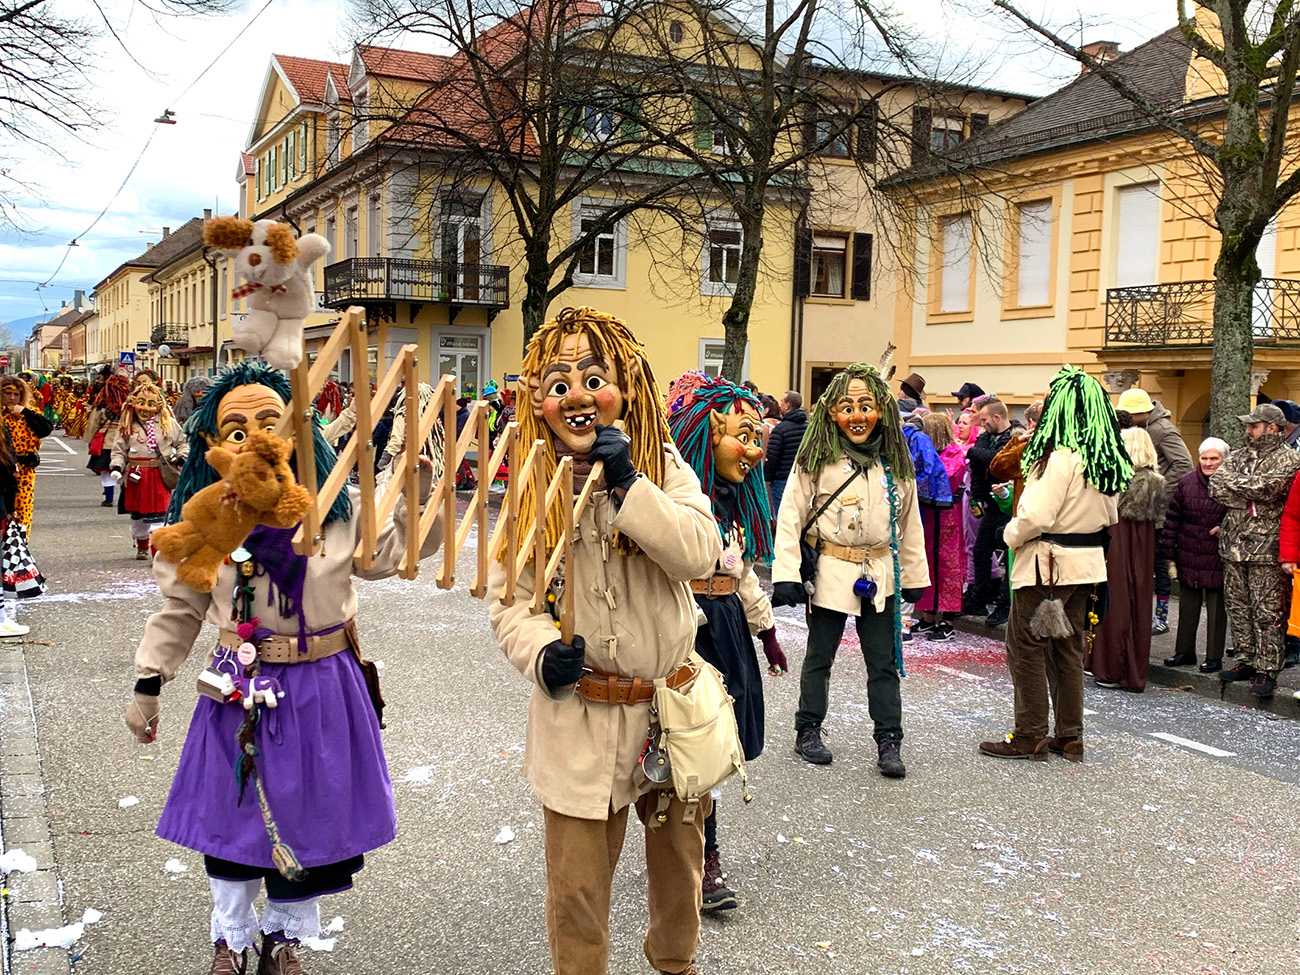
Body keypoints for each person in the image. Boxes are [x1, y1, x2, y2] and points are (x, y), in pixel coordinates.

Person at [124, 362, 443, 975]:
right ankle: (230, 940)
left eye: (271, 423)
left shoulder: (338, 508)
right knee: (232, 818)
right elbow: (181, 609)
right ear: (214, 443)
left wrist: (416, 498)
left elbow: (393, 556)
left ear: (299, 432)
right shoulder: (208, 522)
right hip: (238, 685)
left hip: (324, 685)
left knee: (310, 820)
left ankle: (283, 939)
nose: (255, 439)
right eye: (236, 429)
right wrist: (148, 681)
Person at [487, 307, 721, 975]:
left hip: (669, 707)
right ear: (538, 399)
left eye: (595, 379)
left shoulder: (660, 465)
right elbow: (510, 600)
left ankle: (675, 966)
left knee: (680, 873)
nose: (578, 397)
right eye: (559, 385)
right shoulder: (531, 485)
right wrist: (539, 651)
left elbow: (700, 552)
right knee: (577, 890)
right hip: (581, 713)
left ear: (626, 386)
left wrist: (631, 485)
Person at [665, 372, 785, 914]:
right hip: (685, 629)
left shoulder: (735, 502)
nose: (756, 451)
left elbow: (744, 573)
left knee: (715, 746)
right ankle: (692, 853)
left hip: (728, 625)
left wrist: (767, 631)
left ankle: (702, 851)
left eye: (758, 438)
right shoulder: (678, 501)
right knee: (684, 741)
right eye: (744, 437)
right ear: (707, 435)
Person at [770, 363, 927, 776]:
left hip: (879, 574)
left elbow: (909, 522)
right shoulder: (817, 457)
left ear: (881, 411)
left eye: (866, 406)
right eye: (847, 407)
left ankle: (889, 739)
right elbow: (790, 514)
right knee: (819, 657)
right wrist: (786, 572)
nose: (857, 416)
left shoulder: (894, 461)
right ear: (832, 412)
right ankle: (808, 730)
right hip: (831, 571)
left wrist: (914, 576)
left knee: (884, 662)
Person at [979, 367, 1128, 762]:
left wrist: (1010, 534)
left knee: (1025, 645)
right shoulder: (1102, 456)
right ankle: (1069, 734)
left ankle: (1029, 733)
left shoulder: (1058, 457)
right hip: (1086, 564)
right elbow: (1111, 514)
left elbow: (1036, 515)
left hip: (1049, 565)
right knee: (1068, 648)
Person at [1209, 403, 1300, 698]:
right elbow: (1216, 486)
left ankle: (1267, 668)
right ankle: (1246, 659)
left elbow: (1270, 489)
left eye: (1254, 426)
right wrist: (1249, 490)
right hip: (1233, 545)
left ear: (1272, 428)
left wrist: (1241, 488)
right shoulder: (1238, 455)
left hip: (1266, 547)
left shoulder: (1289, 458)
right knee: (1238, 607)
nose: (1248, 430)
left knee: (1268, 611)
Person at [1088, 428, 1165, 692]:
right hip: (1140, 548)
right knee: (1135, 601)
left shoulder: (1121, 483)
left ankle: (1113, 667)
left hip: (1118, 543)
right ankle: (1126, 667)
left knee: (1117, 600)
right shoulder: (1153, 483)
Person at [1115, 387, 1193, 635]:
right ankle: (1141, 614)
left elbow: (1184, 465)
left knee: (1158, 564)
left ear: (1141, 413)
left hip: (1155, 510)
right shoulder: (1146, 427)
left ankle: (1160, 617)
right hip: (1140, 506)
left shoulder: (1163, 430)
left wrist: (1155, 490)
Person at [1160, 438, 1229, 672]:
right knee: (1188, 606)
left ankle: (1214, 656)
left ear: (1224, 460)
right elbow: (1173, 519)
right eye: (1204, 458)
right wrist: (1168, 552)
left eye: (1214, 459)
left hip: (1217, 555)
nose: (1208, 463)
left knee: (1217, 609)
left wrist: (1225, 528)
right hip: (1188, 552)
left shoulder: (1232, 484)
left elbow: (1239, 515)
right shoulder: (1187, 482)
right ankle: (1184, 651)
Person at [109, 381, 186, 559]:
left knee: (159, 517)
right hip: (136, 476)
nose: (145, 408)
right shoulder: (127, 425)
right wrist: (117, 465)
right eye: (141, 403)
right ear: (133, 404)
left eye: (151, 404)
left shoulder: (168, 424)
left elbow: (182, 443)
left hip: (158, 475)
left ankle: (157, 554)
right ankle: (142, 545)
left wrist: (182, 457)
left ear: (158, 406)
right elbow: (119, 449)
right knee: (137, 517)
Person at [916, 411, 967, 641]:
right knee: (928, 564)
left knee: (948, 567)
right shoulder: (931, 454)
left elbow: (942, 478)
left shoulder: (954, 453)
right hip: (929, 517)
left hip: (948, 519)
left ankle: (948, 621)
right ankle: (927, 617)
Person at [964, 397, 1014, 625]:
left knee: (1009, 555)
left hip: (1008, 503)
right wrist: (977, 496)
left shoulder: (1013, 437)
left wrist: (972, 452)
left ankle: (1004, 604)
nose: (982, 424)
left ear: (996, 417)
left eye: (985, 420)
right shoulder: (984, 437)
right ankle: (979, 597)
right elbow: (978, 467)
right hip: (989, 503)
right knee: (981, 550)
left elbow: (998, 462)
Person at [0, 376, 52, 534]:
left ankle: (20, 544)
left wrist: (25, 412)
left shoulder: (29, 413)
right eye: (8, 393)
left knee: (22, 512)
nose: (12, 397)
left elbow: (45, 429)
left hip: (24, 470)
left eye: (16, 394)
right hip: (2, 467)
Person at [989, 401, 1042, 514]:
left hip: (1026, 513)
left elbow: (996, 466)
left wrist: (1015, 441)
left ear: (1032, 424)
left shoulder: (1026, 449)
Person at [86, 372, 129, 507]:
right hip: (125, 440)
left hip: (106, 441)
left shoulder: (101, 403)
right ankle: (125, 497)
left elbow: (94, 423)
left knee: (106, 470)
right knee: (123, 470)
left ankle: (109, 497)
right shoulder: (129, 404)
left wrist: (90, 440)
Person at [764, 390, 806, 517]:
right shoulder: (809, 428)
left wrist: (766, 477)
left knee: (782, 516)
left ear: (787, 405)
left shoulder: (780, 430)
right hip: (802, 478)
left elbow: (772, 457)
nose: (780, 404)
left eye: (782, 401)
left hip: (781, 480)